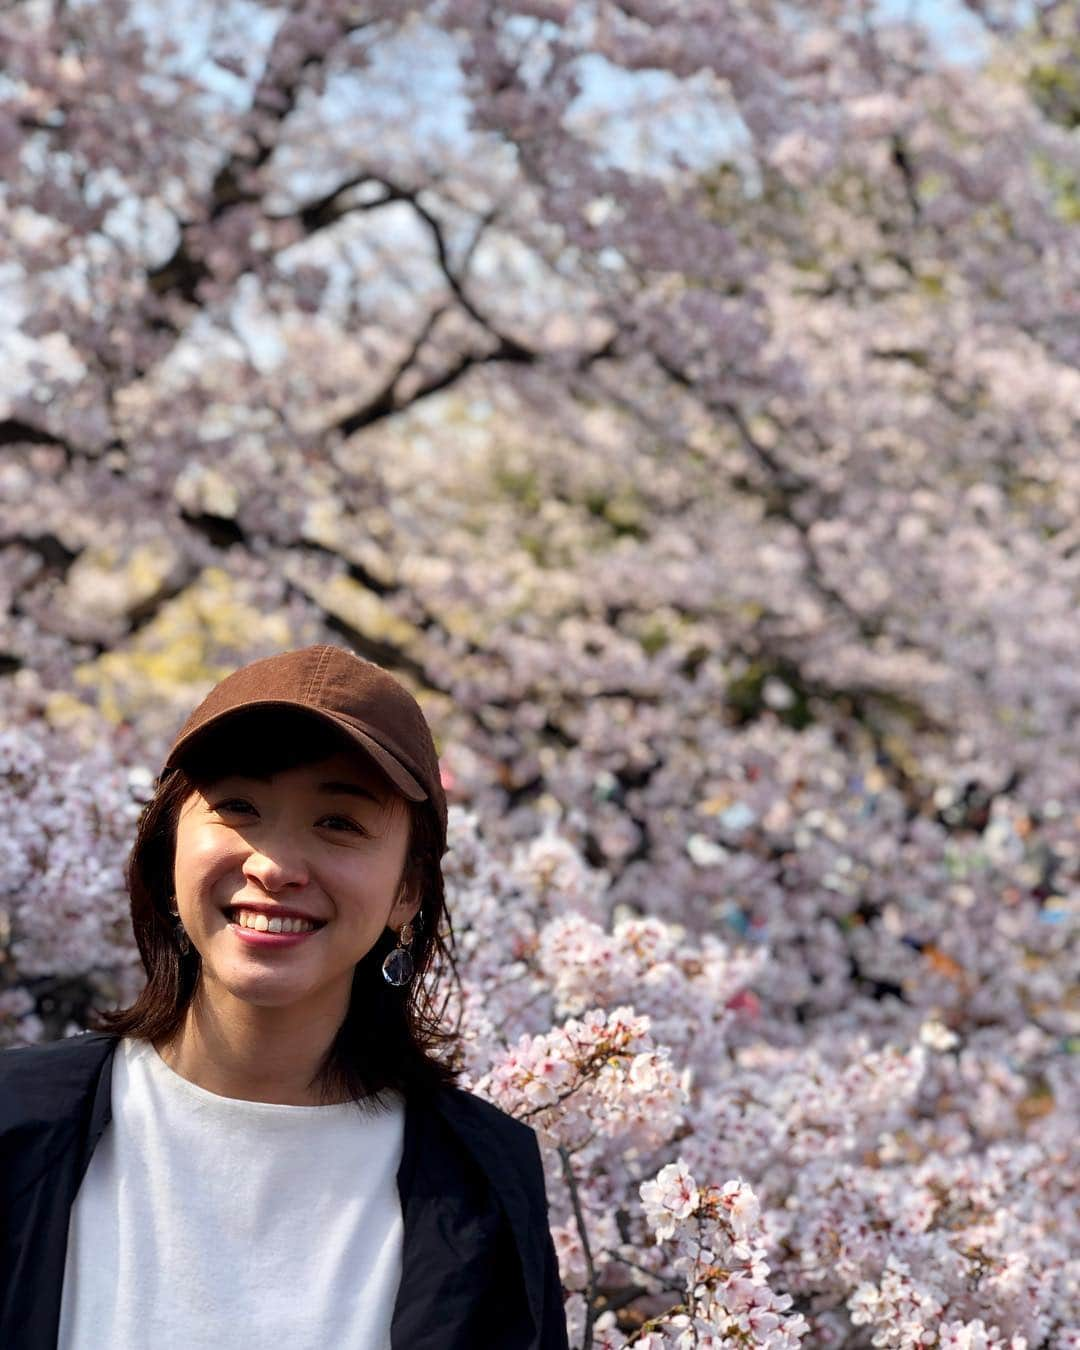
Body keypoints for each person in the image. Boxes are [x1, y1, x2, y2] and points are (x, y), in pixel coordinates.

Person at [0, 645, 570, 1350]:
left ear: (408, 890)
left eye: (338, 823)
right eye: (238, 807)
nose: (272, 866)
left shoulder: (485, 1184)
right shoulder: (15, 1124)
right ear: (169, 845)